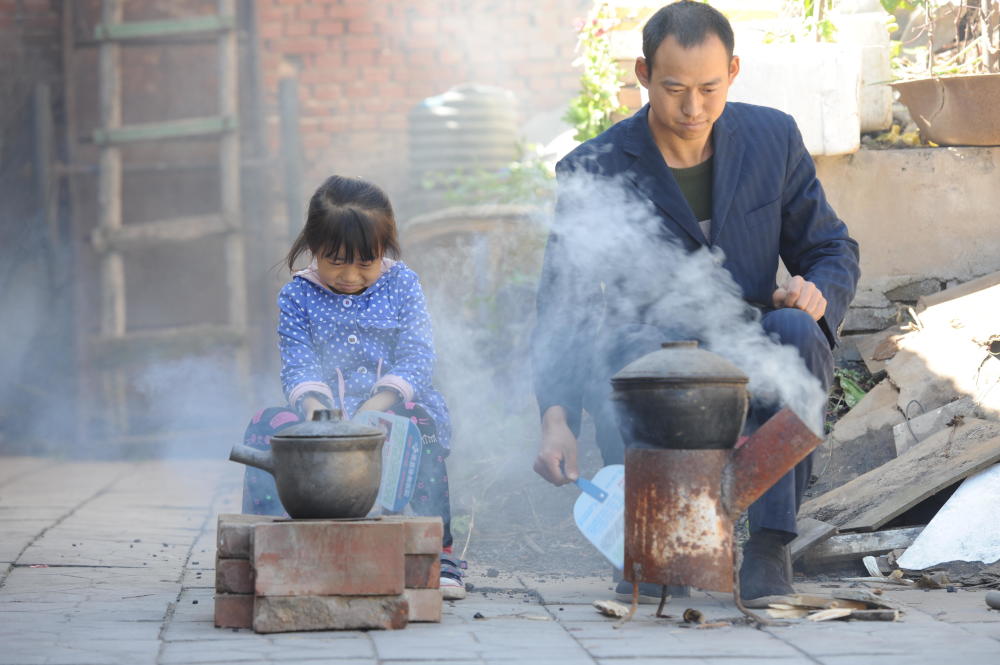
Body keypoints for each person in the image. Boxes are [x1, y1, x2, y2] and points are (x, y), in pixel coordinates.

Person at [531, 1, 860, 602]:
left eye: (709, 89)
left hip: (749, 342)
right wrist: (556, 418)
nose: (693, 109)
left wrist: (816, 291)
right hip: (648, 354)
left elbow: (830, 247)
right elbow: (564, 305)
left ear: (733, 71)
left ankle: (769, 549)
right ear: (643, 74)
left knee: (795, 332)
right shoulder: (595, 169)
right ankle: (656, 538)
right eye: (674, 89)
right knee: (630, 360)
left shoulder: (773, 138)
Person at [240, 175, 466, 600]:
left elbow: (417, 356)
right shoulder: (296, 296)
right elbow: (298, 363)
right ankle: (263, 547)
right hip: (324, 417)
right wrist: (318, 412)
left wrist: (375, 408)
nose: (350, 276)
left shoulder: (403, 285)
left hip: (393, 405)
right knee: (267, 425)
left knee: (417, 422)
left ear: (385, 249)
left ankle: (439, 554)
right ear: (313, 247)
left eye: (365, 262)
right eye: (336, 261)